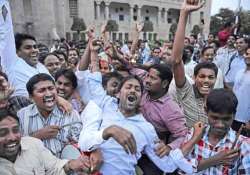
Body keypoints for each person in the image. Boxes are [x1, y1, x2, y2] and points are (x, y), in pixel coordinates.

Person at [78, 75, 207, 174]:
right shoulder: (105, 106)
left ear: (141, 97)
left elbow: (168, 165)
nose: (133, 90)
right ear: (118, 93)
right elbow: (83, 142)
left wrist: (194, 139)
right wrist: (107, 132)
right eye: (128, 87)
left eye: (137, 89)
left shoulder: (147, 128)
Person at [0, 108, 92, 175]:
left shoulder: (33, 144)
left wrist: (72, 165)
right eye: (2, 133)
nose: (12, 137)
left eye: (16, 130)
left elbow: (54, 168)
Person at [172, 0, 218, 128]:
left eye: (210, 77)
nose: (206, 81)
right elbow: (176, 61)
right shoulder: (186, 91)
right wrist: (184, 13)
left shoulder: (217, 99)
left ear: (215, 79)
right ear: (193, 77)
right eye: (202, 76)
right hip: (187, 145)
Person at [182, 89, 250, 174]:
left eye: (226, 119)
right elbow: (181, 168)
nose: (220, 125)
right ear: (206, 111)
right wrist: (216, 159)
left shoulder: (242, 145)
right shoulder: (195, 133)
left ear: (234, 115)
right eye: (215, 118)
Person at [17, 73, 82, 157]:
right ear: (31, 97)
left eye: (51, 88)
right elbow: (15, 146)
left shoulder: (70, 113)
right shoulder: (22, 116)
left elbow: (79, 142)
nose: (48, 94)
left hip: (65, 167)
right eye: (41, 90)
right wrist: (37, 136)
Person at [232, 46, 250, 137]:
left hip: (245, 120)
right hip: (232, 115)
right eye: (247, 54)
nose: (248, 56)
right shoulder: (239, 72)